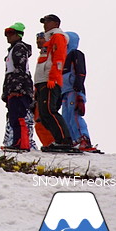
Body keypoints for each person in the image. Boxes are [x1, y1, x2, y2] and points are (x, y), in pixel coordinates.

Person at [34, 14, 73, 150]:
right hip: (42, 80)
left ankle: (64, 141)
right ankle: (57, 140)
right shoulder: (48, 38)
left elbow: (59, 58)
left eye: (48, 21)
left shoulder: (58, 37)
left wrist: (53, 77)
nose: (45, 24)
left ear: (56, 23)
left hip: (49, 80)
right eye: (44, 21)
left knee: (50, 111)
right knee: (44, 114)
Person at [0, 22, 34, 151]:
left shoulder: (19, 48)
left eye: (11, 33)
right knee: (14, 116)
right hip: (13, 88)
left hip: (18, 89)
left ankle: (21, 143)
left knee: (19, 116)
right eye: (6, 33)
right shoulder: (13, 49)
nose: (7, 36)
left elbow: (20, 69)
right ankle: (17, 142)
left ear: (18, 35)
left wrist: (16, 89)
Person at [61, 31, 95, 150]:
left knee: (75, 115)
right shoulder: (62, 57)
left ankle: (83, 139)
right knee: (66, 117)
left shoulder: (75, 53)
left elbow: (80, 71)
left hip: (74, 90)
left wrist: (78, 88)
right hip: (64, 91)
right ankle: (73, 140)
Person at [32, 32, 55, 148]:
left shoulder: (49, 52)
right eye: (37, 39)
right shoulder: (42, 54)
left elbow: (52, 66)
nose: (38, 41)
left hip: (46, 85)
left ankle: (52, 141)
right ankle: (48, 143)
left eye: (41, 39)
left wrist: (51, 80)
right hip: (39, 87)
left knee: (45, 116)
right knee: (39, 119)